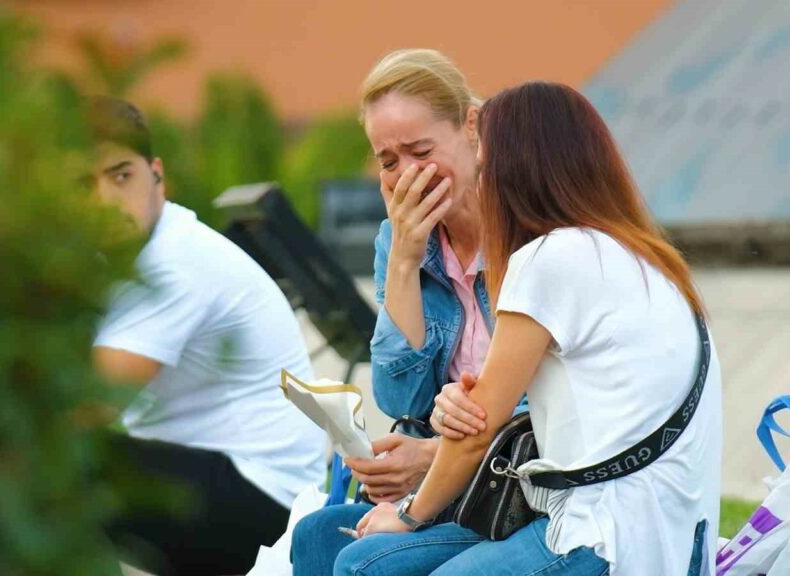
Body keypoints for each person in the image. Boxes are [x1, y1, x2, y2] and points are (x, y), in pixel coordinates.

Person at [343, 81, 724, 576]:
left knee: (367, 565)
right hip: (668, 535)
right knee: (356, 556)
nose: (478, 184)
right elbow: (464, 407)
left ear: (516, 173)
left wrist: (409, 515)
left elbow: (477, 432)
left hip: (603, 538)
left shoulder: (548, 259)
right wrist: (462, 405)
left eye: (484, 168)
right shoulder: (639, 254)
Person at [86, 96, 326, 575]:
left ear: (156, 174)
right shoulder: (113, 258)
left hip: (265, 503)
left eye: (121, 175)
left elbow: (88, 404)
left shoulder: (175, 262)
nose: (106, 199)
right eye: (81, 184)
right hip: (213, 475)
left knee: (60, 466)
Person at [290, 48, 503, 575]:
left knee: (366, 558)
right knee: (316, 534)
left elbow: (541, 407)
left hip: (512, 482)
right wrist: (405, 261)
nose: (406, 175)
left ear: (471, 127)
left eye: (420, 150)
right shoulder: (400, 241)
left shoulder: (523, 229)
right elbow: (401, 398)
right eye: (388, 162)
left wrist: (430, 458)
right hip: (453, 483)